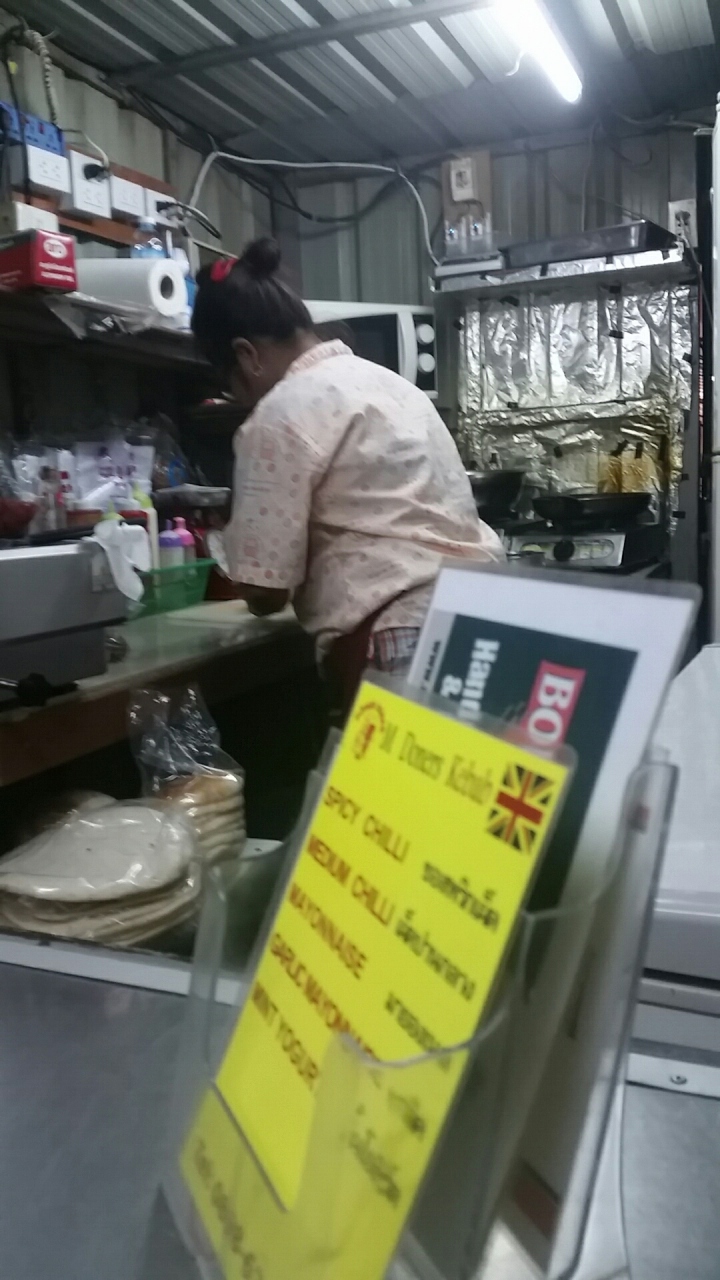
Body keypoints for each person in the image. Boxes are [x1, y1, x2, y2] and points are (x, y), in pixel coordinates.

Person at [192, 238, 504, 714]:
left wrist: (233, 549)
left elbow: (265, 591)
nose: (239, 398)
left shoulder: (279, 414)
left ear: (247, 355)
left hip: (400, 636)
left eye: (230, 382)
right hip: (481, 616)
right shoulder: (391, 384)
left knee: (399, 767)